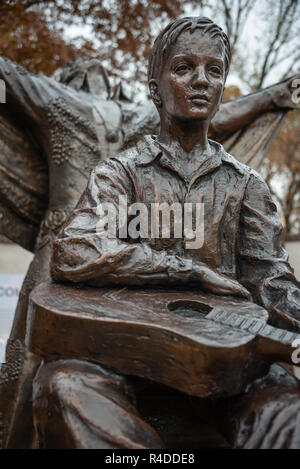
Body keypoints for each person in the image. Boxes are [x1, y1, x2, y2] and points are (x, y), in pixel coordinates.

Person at [30, 17, 300, 449]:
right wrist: (184, 272)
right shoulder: (118, 175)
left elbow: (274, 283)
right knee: (64, 387)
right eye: (184, 67)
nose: (201, 81)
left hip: (227, 371)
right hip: (126, 362)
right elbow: (76, 250)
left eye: (214, 71)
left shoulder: (246, 185)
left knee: (290, 411)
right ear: (155, 89)